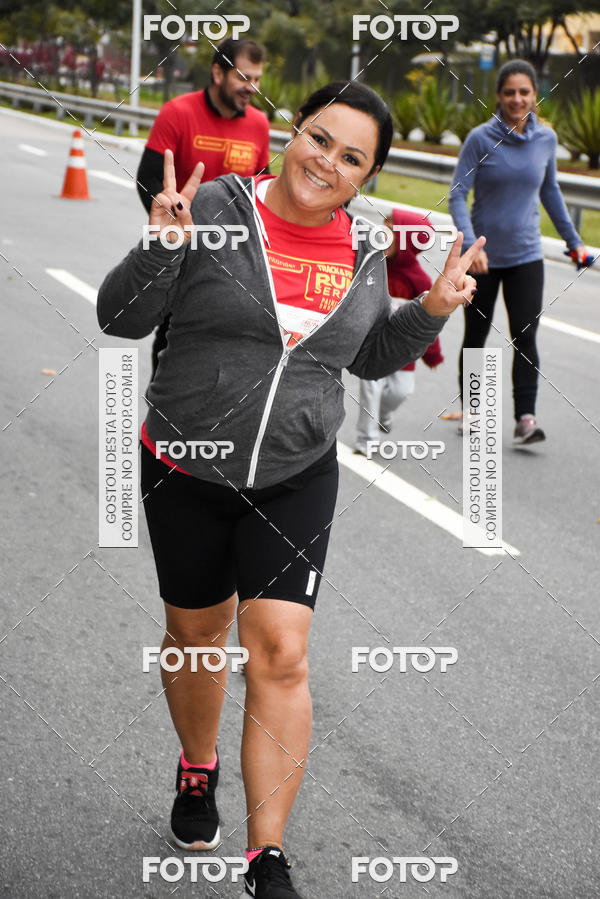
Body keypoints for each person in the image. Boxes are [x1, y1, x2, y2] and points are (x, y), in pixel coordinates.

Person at [97, 81, 484, 898]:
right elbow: (119, 318)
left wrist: (432, 309)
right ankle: (197, 766)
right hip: (185, 466)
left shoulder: (367, 250)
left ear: (367, 174)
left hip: (295, 474)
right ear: (291, 132)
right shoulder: (216, 210)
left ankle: (265, 856)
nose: (327, 162)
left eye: (352, 157)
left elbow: (367, 354)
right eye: (318, 138)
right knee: (196, 639)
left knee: (281, 651)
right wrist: (160, 248)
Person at [448, 59, 587, 445]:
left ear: (534, 95)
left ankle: (525, 418)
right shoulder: (479, 138)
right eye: (509, 92)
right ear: (498, 95)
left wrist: (573, 240)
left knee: (525, 337)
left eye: (524, 91)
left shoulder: (546, 139)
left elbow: (550, 191)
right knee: (476, 336)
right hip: (483, 259)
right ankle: (472, 412)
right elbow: (458, 194)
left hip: (527, 256)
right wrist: (472, 244)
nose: (517, 98)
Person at [136, 37, 270, 376]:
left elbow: (264, 188)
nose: (251, 88)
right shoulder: (177, 112)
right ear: (217, 72)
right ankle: (161, 423)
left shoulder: (259, 124)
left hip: (236, 255)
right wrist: (170, 222)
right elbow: (147, 178)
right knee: (172, 339)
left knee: (230, 344)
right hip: (181, 249)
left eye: (256, 79)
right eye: (243, 77)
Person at [354, 208, 444, 455]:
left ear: (407, 242)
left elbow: (430, 320)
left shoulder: (420, 281)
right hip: (371, 345)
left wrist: (432, 354)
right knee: (371, 388)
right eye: (382, 227)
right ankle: (366, 440)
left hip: (402, 349)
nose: (382, 235)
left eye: (391, 232)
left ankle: (384, 414)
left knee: (401, 392)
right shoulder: (371, 265)